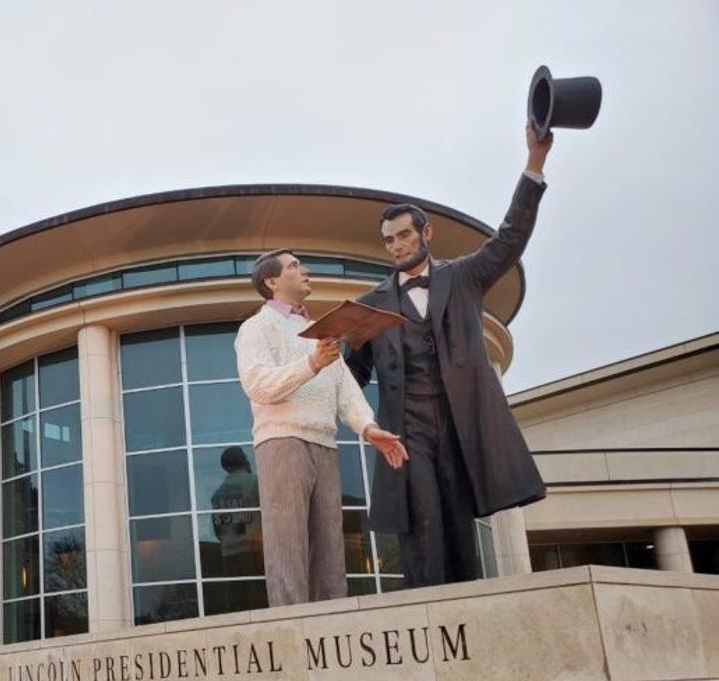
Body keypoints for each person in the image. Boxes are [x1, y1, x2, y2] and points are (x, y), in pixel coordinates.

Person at [344, 123, 553, 588]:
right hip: (407, 432)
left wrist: (534, 164)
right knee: (422, 530)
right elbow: (349, 377)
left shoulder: (463, 278)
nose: (397, 246)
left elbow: (509, 238)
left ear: (426, 233)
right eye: (389, 240)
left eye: (404, 236)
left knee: (460, 534)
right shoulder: (371, 304)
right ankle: (426, 618)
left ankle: (469, 623)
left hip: (461, 427)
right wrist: (324, 363)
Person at [235, 250, 407, 606]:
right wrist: (311, 363)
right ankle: (291, 630)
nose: (305, 270)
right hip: (282, 442)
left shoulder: (318, 331)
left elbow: (345, 389)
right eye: (295, 266)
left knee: (330, 550)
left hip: (325, 444)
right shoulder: (257, 327)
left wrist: (368, 427)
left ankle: (334, 628)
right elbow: (258, 384)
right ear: (272, 282)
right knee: (287, 546)